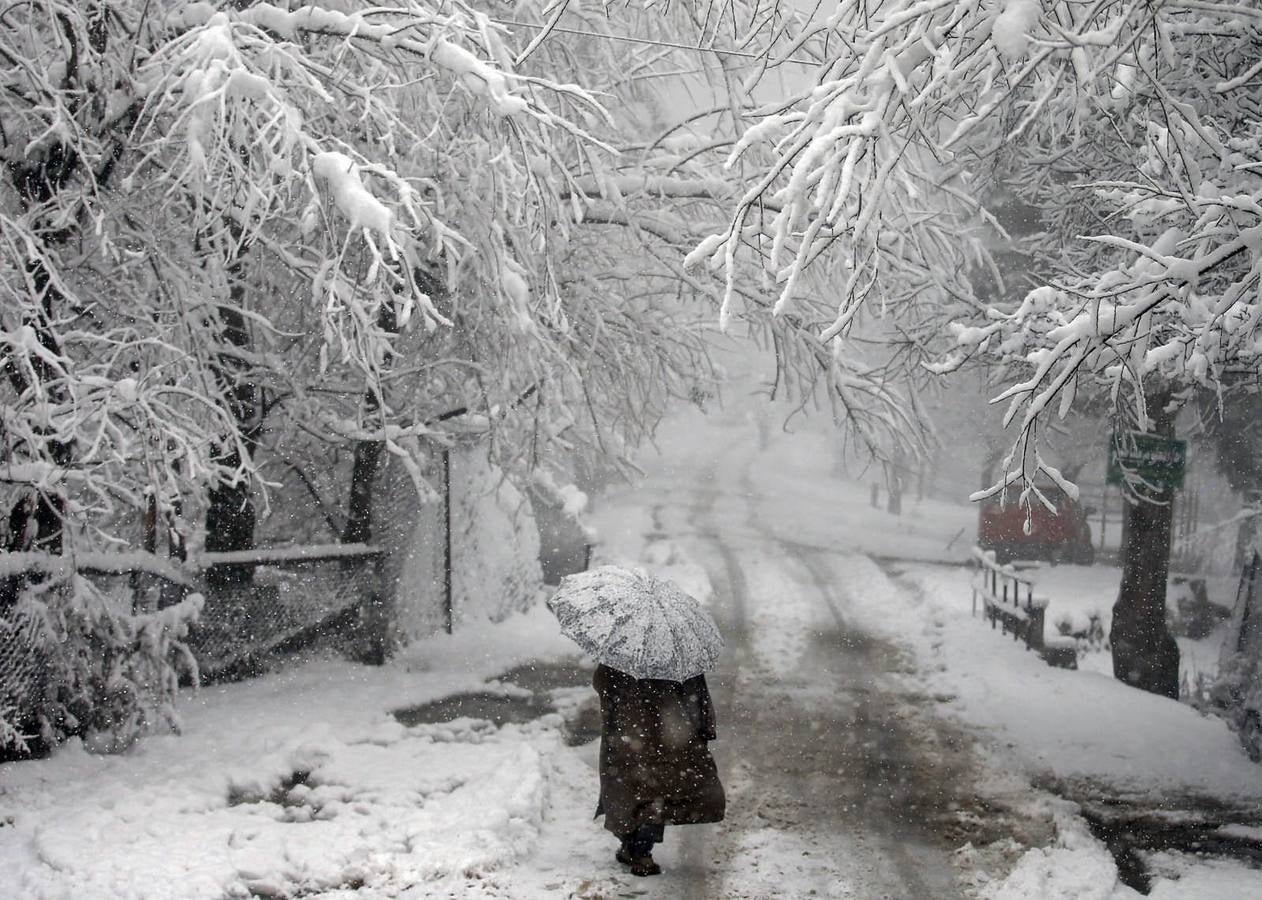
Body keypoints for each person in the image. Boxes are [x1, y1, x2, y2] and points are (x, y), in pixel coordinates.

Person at [592, 663, 726, 877]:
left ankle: (630, 844)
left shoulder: (621, 653)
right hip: (665, 736)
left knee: (626, 792)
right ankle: (642, 851)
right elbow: (696, 694)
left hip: (627, 734)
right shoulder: (674, 656)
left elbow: (602, 683)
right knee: (655, 795)